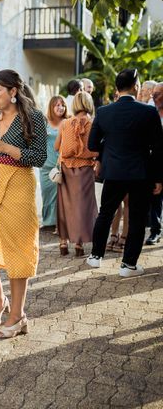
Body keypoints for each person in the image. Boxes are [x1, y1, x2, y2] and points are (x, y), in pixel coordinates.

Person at [0, 69, 47, 338]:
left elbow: (39, 156)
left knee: (17, 250)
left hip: (18, 186)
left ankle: (18, 316)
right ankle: (0, 301)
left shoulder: (33, 117)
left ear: (13, 92)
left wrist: (7, 149)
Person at [87, 69, 163, 276]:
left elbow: (92, 144)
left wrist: (109, 148)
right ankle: (128, 265)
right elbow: (158, 148)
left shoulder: (103, 112)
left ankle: (95, 256)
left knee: (106, 213)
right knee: (137, 219)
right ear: (136, 86)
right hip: (141, 174)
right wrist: (158, 178)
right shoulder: (148, 112)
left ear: (117, 88)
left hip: (113, 172)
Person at [55, 92, 99, 257]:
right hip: (86, 169)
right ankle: (79, 244)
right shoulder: (93, 123)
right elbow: (96, 148)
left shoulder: (65, 123)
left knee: (65, 206)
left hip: (66, 168)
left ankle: (63, 242)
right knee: (83, 207)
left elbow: (56, 146)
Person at [39, 96, 68, 229]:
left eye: (62, 105)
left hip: (62, 166)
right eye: (57, 105)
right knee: (46, 194)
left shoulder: (68, 122)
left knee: (61, 197)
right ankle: (48, 222)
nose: (60, 107)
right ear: (51, 107)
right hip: (46, 166)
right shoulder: (44, 122)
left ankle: (60, 223)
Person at [146, 82, 163, 245]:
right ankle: (155, 231)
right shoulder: (151, 114)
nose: (153, 97)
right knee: (156, 199)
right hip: (155, 165)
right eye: (153, 94)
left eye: (157, 94)